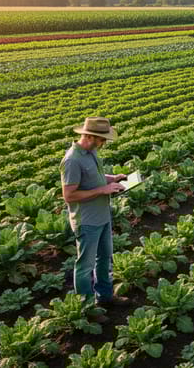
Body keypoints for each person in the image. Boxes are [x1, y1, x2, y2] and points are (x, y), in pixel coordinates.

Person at [60, 117, 128, 317]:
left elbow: (93, 179)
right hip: (87, 220)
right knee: (85, 266)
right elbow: (69, 195)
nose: (104, 143)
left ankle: (105, 296)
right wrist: (103, 190)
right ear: (90, 136)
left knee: (105, 258)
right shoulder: (72, 160)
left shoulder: (92, 153)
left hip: (102, 215)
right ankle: (87, 307)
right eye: (102, 139)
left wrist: (112, 178)